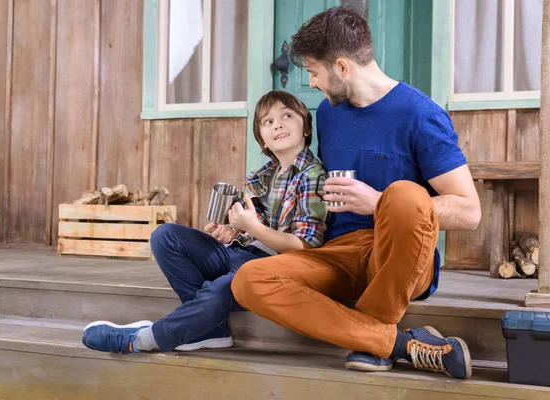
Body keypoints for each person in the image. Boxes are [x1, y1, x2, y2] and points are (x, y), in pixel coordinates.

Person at [231, 7, 481, 380]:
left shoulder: (420, 115)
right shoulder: (330, 114)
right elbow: (299, 180)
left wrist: (378, 201)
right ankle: (397, 344)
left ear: (343, 68)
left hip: (397, 255)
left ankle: (373, 333)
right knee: (249, 280)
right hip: (338, 253)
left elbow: (469, 211)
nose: (312, 83)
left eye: (314, 72)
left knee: (403, 195)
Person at [81, 90, 328, 354]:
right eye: (267, 121)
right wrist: (230, 231)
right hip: (242, 253)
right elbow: (248, 229)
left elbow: (305, 246)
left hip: (275, 268)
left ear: (305, 129)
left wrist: (252, 228)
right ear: (263, 141)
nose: (277, 124)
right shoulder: (262, 175)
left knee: (222, 287)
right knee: (165, 236)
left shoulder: (312, 175)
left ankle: (143, 340)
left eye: (287, 115)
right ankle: (211, 329)